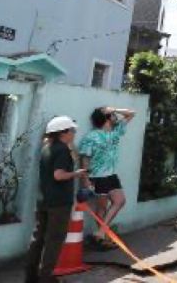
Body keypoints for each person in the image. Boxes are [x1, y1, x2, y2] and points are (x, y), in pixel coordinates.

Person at [25, 116, 86, 283]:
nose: (73, 134)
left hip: (44, 200)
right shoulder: (62, 150)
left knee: (38, 239)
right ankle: (46, 278)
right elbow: (58, 175)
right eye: (72, 130)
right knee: (54, 240)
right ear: (63, 132)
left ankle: (30, 277)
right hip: (59, 203)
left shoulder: (46, 148)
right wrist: (77, 173)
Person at [78, 106, 134, 248]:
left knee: (120, 201)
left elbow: (131, 113)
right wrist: (85, 179)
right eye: (113, 115)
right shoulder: (91, 136)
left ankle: (101, 232)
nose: (116, 116)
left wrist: (113, 108)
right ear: (107, 118)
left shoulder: (115, 132)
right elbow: (85, 158)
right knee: (102, 207)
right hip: (97, 176)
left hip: (111, 175)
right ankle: (101, 238)